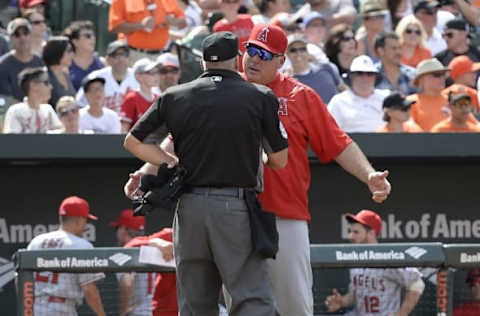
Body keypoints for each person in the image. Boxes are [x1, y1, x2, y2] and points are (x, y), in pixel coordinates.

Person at [124, 24, 391, 316]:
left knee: (294, 307)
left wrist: (369, 175)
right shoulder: (222, 88)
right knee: (240, 305)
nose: (254, 59)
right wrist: (147, 170)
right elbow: (177, 140)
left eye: (264, 54)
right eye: (251, 50)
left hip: (283, 214)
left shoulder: (301, 96)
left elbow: (338, 143)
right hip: (234, 215)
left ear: (281, 61)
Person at [124, 31, 289, 315]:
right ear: (237, 59)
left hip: (189, 208)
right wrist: (257, 156)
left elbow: (133, 141)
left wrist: (169, 161)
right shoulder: (260, 95)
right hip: (234, 207)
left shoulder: (175, 95)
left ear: (202, 62)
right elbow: (280, 159)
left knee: (195, 304)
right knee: (250, 299)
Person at [325, 210, 425, 315]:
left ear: (371, 233)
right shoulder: (354, 259)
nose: (350, 236)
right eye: (350, 232)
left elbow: (417, 284)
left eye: (356, 232)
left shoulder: (388, 258)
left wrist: (400, 314)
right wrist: (342, 301)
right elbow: (356, 295)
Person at [26, 196, 106, 316]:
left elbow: (20, 281)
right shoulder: (81, 245)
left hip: (36, 308)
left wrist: (28, 308)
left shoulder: (36, 242)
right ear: (79, 220)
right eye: (85, 220)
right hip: (62, 308)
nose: (85, 225)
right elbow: (89, 289)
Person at [108, 0, 186, 61]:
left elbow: (183, 22)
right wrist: (141, 26)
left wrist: (172, 21)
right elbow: (115, 26)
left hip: (160, 56)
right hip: (133, 55)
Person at [328, 55, 389, 132]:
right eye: (359, 73)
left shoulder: (386, 97)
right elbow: (329, 131)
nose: (365, 78)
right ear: (351, 76)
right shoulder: (338, 101)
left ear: (375, 77)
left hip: (385, 142)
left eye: (369, 74)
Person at [76, 41, 139, 114]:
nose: (120, 59)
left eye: (124, 55)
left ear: (130, 58)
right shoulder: (95, 77)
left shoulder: (139, 77)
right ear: (108, 59)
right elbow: (80, 103)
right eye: (116, 55)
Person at [109, 209, 152, 316]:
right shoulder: (152, 248)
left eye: (117, 228)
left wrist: (122, 313)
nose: (116, 232)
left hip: (138, 313)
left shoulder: (126, 252)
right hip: (157, 310)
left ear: (124, 230)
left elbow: (127, 283)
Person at [286, 34, 342, 103]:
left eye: (302, 49)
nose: (298, 53)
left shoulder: (326, 67)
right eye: (293, 50)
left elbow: (342, 89)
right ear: (287, 54)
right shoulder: (287, 81)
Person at [3, 67, 62, 133]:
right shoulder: (16, 111)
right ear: (33, 85)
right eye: (46, 83)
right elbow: (12, 139)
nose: (51, 87)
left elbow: (60, 134)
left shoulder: (48, 109)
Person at [0, 18, 44, 102]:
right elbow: (6, 99)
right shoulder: (3, 65)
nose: (22, 38)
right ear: (10, 38)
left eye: (25, 33)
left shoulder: (38, 61)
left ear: (31, 35)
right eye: (17, 34)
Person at [408, 58, 457, 130]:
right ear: (422, 79)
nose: (442, 78)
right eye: (437, 75)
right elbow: (407, 130)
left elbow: (473, 125)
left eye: (443, 74)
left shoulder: (453, 101)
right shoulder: (410, 102)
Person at [120, 58, 160, 133]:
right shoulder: (131, 98)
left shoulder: (158, 99)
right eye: (151, 73)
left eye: (157, 72)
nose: (156, 76)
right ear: (139, 77)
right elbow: (123, 130)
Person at [63, 20, 105, 91]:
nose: (93, 38)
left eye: (93, 35)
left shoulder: (103, 63)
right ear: (75, 41)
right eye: (88, 36)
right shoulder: (65, 64)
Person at [374, 32, 417, 96]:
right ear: (381, 51)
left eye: (400, 48)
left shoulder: (413, 74)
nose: (398, 52)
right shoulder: (371, 75)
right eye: (393, 48)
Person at [42, 36, 76, 108]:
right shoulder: (44, 76)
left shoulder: (66, 74)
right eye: (69, 50)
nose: (72, 54)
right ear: (57, 51)